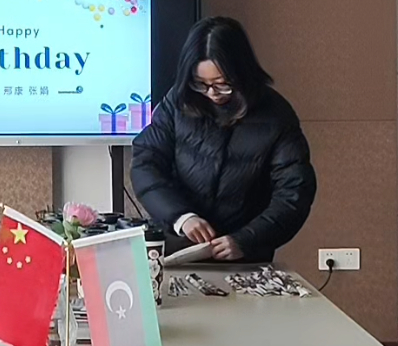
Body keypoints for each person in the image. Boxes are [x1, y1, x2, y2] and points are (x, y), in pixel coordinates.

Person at [130, 16, 316, 263]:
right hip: (178, 247)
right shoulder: (179, 101)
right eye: (201, 84)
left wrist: (247, 240)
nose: (212, 93)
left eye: (223, 84)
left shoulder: (276, 115)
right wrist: (182, 217)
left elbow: (294, 193)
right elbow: (146, 163)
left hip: (243, 255)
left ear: (242, 74)